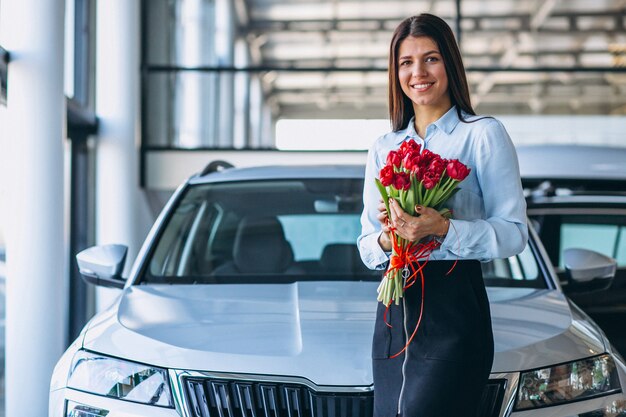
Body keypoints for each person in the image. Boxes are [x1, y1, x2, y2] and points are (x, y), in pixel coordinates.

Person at [357, 13, 528, 417]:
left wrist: (443, 229)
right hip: (393, 308)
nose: (418, 72)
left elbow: (514, 233)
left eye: (430, 59)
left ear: (450, 63)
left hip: (454, 303)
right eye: (406, 62)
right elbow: (366, 245)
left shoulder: (482, 134)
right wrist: (389, 236)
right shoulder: (384, 146)